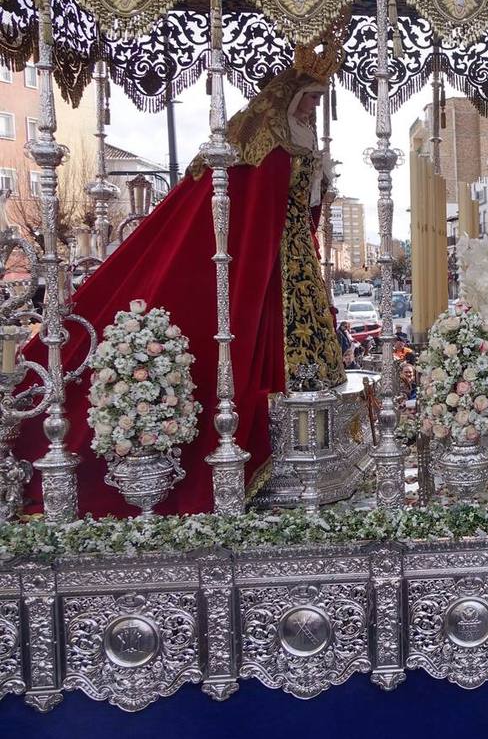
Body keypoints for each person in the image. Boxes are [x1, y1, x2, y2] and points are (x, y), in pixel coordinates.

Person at [17, 41, 346, 516]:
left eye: (319, 98)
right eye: (312, 97)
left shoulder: (304, 137)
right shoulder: (261, 136)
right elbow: (253, 206)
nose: (317, 106)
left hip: (294, 256)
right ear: (290, 96)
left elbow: (303, 204)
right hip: (271, 256)